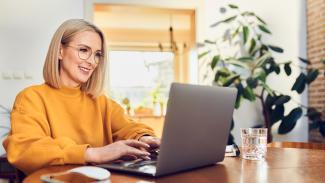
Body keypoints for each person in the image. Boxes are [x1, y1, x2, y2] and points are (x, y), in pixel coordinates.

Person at [3, 19, 160, 175]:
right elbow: (26, 150)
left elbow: (128, 126)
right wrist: (93, 154)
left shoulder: (100, 101)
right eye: (84, 50)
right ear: (60, 51)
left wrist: (144, 138)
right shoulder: (31, 97)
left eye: (97, 54)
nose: (92, 61)